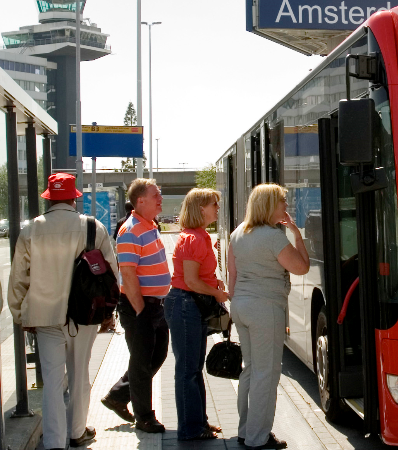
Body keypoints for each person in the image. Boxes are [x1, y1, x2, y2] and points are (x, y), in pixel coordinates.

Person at [7, 173, 118, 450]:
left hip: (44, 317)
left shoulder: (31, 230)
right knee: (80, 375)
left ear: (49, 198)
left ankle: (55, 442)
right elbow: (111, 275)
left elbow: (19, 278)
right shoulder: (93, 227)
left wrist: (21, 315)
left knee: (53, 381)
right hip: (84, 315)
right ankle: (76, 432)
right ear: (73, 198)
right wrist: (108, 313)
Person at [228, 184, 309, 450]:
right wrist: (297, 235)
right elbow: (301, 267)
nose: (286, 207)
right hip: (265, 308)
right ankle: (257, 438)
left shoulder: (238, 233)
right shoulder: (273, 236)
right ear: (269, 205)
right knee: (267, 373)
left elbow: (233, 277)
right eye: (282, 202)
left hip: (241, 305)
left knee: (250, 370)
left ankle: (245, 430)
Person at [100, 178, 170, 434]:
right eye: (156, 195)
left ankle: (118, 395)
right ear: (141, 200)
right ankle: (144, 417)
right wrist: (141, 310)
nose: (160, 198)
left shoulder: (149, 225)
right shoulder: (130, 230)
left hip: (156, 306)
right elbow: (128, 275)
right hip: (139, 306)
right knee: (141, 363)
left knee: (157, 355)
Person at [165, 188, 229, 440]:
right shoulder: (192, 239)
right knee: (188, 369)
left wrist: (214, 284)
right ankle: (191, 428)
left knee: (193, 367)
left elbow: (198, 277)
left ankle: (198, 423)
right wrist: (216, 294)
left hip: (189, 304)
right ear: (201, 208)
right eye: (214, 204)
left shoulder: (199, 236)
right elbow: (190, 281)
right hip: (185, 304)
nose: (217, 208)